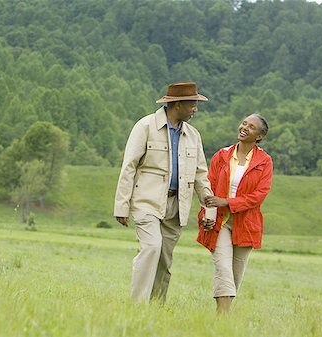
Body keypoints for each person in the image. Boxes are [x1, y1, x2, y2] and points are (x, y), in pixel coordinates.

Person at [114, 82, 213, 303]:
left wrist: (209, 208)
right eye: (193, 104)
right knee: (151, 247)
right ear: (178, 104)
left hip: (177, 206)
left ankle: (158, 308)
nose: (195, 109)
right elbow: (129, 166)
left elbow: (200, 174)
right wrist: (121, 205)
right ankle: (137, 306)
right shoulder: (145, 126)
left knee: (164, 260)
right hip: (146, 201)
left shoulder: (193, 135)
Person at [197, 114, 273, 314]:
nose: (244, 128)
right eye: (244, 123)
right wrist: (207, 213)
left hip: (246, 224)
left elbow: (259, 196)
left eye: (251, 127)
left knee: (235, 275)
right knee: (223, 269)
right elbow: (208, 188)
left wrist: (228, 202)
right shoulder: (221, 155)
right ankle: (223, 321)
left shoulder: (264, 161)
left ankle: (220, 315)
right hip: (220, 221)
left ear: (259, 136)